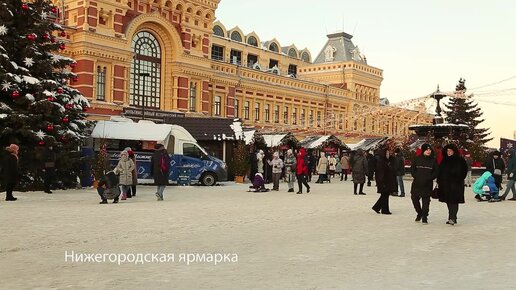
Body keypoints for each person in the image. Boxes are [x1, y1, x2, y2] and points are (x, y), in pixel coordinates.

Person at [437, 144, 468, 225]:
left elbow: (465, 170)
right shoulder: (444, 160)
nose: (449, 152)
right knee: (448, 201)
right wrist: (439, 180)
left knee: (454, 201)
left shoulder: (460, 160)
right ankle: (451, 217)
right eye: (447, 151)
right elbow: (440, 171)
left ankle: (453, 217)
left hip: (456, 185)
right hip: (445, 184)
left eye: (450, 150)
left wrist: (459, 178)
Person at [410, 144, 438, 224]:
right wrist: (416, 176)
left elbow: (436, 171)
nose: (428, 151)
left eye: (429, 149)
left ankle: (424, 216)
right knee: (414, 199)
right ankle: (419, 213)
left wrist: (430, 177)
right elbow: (413, 169)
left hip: (427, 184)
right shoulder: (417, 159)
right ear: (423, 150)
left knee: (426, 201)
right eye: (426, 149)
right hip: (417, 183)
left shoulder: (433, 160)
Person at [372, 147, 396, 214]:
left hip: (387, 181)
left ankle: (378, 207)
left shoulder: (387, 161)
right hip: (384, 182)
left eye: (388, 153)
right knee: (384, 196)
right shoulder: (381, 162)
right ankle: (384, 209)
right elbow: (380, 174)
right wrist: (382, 183)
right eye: (387, 153)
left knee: (385, 195)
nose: (388, 154)